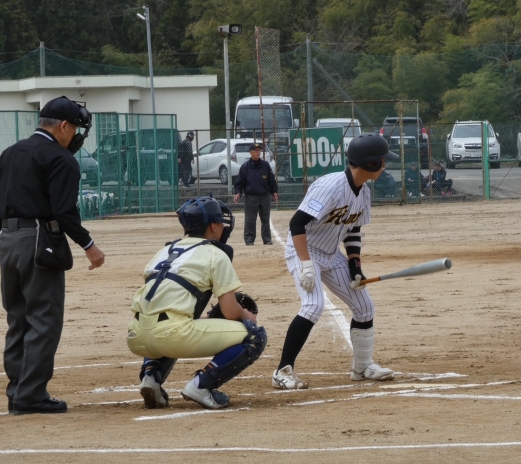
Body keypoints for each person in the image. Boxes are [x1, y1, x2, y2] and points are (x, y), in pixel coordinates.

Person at [0, 96, 106, 415]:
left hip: (6, 239)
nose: (75, 136)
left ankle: (18, 392)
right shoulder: (60, 159)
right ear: (63, 126)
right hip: (37, 239)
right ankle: (31, 395)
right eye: (75, 129)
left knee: (18, 318)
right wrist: (89, 245)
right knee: (44, 319)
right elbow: (64, 211)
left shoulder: (10, 152)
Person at [272, 132, 398, 390]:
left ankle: (362, 368)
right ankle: (282, 371)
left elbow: (353, 230)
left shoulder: (364, 193)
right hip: (304, 249)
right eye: (383, 161)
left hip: (330, 253)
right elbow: (297, 223)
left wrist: (355, 266)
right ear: (371, 163)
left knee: (364, 306)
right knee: (313, 305)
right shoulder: (330, 186)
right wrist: (307, 264)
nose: (385, 165)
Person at [126, 196, 267, 409]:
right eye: (220, 221)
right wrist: (247, 316)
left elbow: (165, 302)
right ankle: (201, 386)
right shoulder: (215, 254)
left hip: (136, 336)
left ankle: (151, 376)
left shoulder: (165, 251)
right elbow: (230, 311)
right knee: (255, 335)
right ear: (213, 226)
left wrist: (206, 318)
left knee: (163, 327)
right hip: (172, 335)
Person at [233, 143, 278, 245]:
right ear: (251, 153)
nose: (258, 153)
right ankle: (249, 239)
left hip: (264, 196)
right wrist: (238, 193)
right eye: (256, 151)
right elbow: (239, 182)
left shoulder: (265, 165)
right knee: (250, 219)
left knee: (265, 218)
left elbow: (271, 180)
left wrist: (274, 191)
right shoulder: (245, 167)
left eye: (259, 151)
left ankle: (267, 239)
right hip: (251, 197)